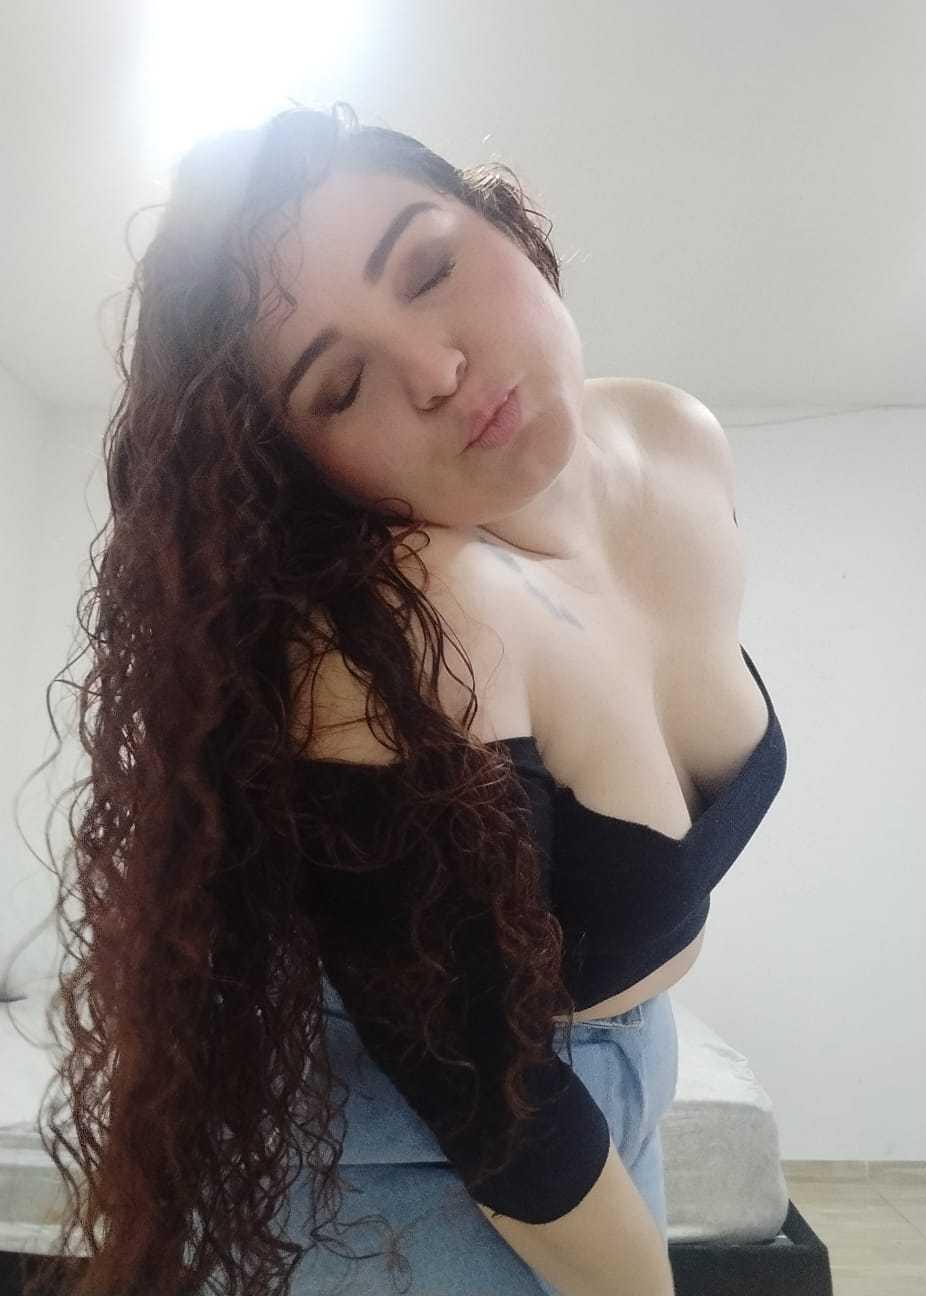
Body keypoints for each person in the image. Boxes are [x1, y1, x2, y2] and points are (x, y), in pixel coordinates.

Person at [23, 101, 786, 1296]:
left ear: (507, 221)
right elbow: (494, 1105)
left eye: (428, 267)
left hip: (615, 1080)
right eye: (340, 386)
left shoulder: (672, 439)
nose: (435, 372)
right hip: (431, 1172)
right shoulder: (396, 630)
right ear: (306, 471)